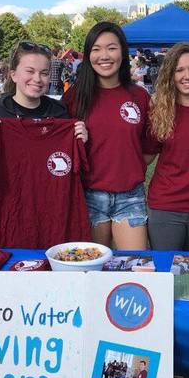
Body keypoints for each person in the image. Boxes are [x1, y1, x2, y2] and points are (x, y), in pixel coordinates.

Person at [0, 41, 88, 244]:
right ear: (13, 74)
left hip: (55, 216)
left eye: (44, 73)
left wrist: (80, 141)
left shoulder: (60, 113)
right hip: (11, 216)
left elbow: (79, 172)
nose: (37, 79)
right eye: (30, 71)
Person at [63, 21, 151, 250]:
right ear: (88, 54)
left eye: (111, 48)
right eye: (96, 49)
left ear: (123, 51)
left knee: (135, 267)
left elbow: (149, 147)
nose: (104, 55)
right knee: (91, 271)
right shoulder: (74, 98)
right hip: (88, 195)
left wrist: (126, 166)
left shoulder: (139, 97)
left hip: (130, 196)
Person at [143, 42, 189, 251]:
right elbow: (146, 156)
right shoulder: (160, 111)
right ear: (171, 75)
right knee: (167, 273)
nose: (188, 75)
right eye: (179, 70)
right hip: (166, 206)